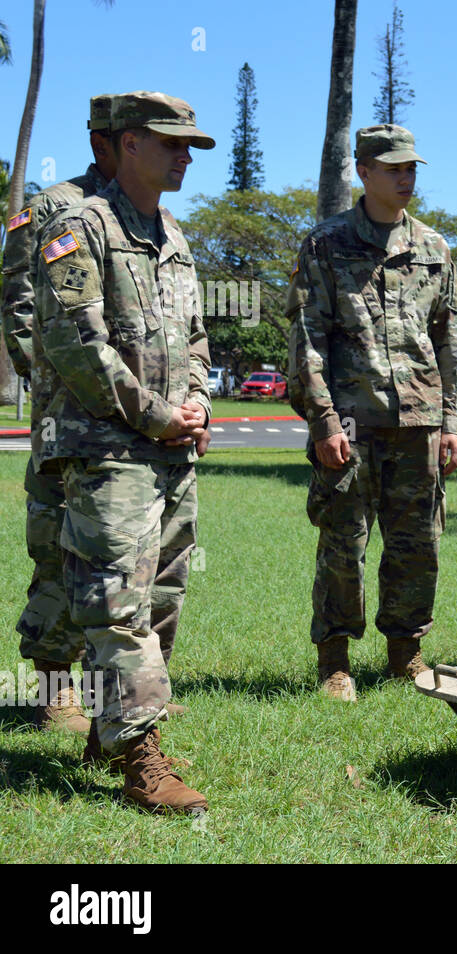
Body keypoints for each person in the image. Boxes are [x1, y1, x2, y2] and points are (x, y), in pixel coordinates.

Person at [32, 91, 215, 812]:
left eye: (191, 148)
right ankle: (143, 760)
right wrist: (161, 415)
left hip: (170, 452)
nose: (184, 158)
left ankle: (112, 731)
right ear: (129, 143)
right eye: (172, 144)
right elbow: (77, 345)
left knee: (162, 595)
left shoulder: (172, 235)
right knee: (115, 606)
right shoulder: (78, 228)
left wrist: (195, 402)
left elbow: (195, 336)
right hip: (108, 450)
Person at [286, 124, 457, 701]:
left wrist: (455, 422)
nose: (405, 177)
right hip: (351, 423)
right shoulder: (325, 243)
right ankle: (335, 660)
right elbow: (307, 336)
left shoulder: (434, 249)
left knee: (418, 545)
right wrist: (321, 420)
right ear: (363, 171)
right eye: (393, 168)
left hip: (420, 424)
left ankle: (406, 653)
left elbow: (452, 339)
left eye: (411, 168)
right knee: (344, 545)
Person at [2, 95, 118, 733]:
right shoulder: (51, 210)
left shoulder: (144, 212)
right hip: (64, 413)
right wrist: (53, 376)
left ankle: (121, 696)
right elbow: (18, 305)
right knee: (58, 546)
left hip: (131, 413)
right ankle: (53, 691)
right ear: (103, 140)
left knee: (125, 555)